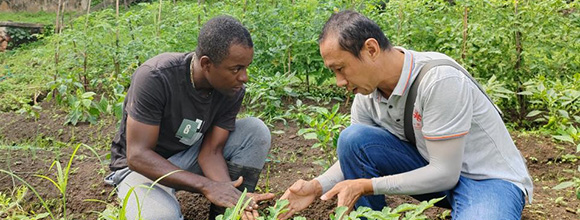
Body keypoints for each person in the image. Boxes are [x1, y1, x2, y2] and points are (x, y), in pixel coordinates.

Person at [280, 10, 533, 220]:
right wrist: (317, 186)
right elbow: (355, 153)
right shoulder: (366, 95)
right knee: (352, 138)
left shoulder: (438, 80)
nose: (338, 81)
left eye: (340, 68)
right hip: (435, 174)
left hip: (487, 181)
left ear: (371, 49)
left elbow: (445, 172)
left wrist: (369, 185)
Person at [105, 15, 274, 220]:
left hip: (187, 156)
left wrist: (230, 194)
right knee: (159, 217)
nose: (244, 76)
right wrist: (206, 185)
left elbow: (211, 152)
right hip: (141, 170)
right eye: (236, 68)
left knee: (255, 131)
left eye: (246, 67)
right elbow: (137, 155)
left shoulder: (231, 89)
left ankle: (227, 215)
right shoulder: (156, 77)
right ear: (206, 64)